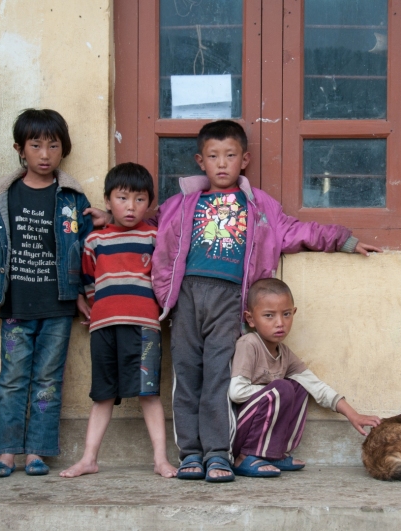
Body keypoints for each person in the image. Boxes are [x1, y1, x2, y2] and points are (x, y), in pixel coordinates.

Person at [150, 120, 383, 482]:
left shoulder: (259, 206)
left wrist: (343, 240)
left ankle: (217, 454)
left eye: (230, 155)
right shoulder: (181, 203)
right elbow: (149, 227)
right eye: (213, 156)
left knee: (217, 378)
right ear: (201, 161)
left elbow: (297, 230)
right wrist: (109, 221)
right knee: (186, 377)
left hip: (230, 298)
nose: (222, 163)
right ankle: (190, 455)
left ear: (245, 159)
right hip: (187, 296)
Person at [0, 109, 92, 477]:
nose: (45, 154)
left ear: (63, 150)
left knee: (48, 381)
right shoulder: (2, 198)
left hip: (58, 307)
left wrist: (85, 293)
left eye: (53, 146)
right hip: (17, 305)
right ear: (21, 149)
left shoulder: (71, 198)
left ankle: (37, 451)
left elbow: (83, 248)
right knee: (13, 379)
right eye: (36, 145)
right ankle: (7, 452)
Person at [60, 163, 176, 479]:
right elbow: (87, 281)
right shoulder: (94, 241)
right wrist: (90, 306)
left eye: (140, 199)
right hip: (103, 327)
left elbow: (166, 273)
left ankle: (161, 460)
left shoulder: (154, 236)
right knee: (102, 394)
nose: (131, 206)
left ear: (150, 203)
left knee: (148, 392)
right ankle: (88, 458)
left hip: (144, 328)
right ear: (108, 200)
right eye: (123, 198)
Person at [229, 278, 381, 477]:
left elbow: (316, 386)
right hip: (242, 433)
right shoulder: (249, 344)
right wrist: (274, 391)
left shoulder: (284, 353)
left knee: (298, 386)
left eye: (286, 314)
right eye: (269, 316)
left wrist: (353, 414)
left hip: (263, 420)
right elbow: (236, 392)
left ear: (294, 313)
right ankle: (245, 457)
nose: (280, 323)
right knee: (283, 388)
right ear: (250, 319)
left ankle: (275, 454)